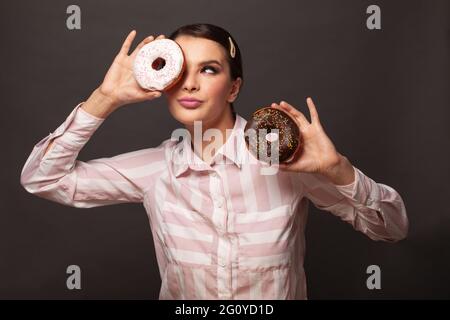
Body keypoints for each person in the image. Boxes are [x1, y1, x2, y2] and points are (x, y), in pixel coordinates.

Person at [20, 23, 408, 299]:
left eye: (208, 70)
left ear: (234, 86)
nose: (190, 83)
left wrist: (339, 170)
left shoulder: (286, 163)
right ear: (163, 81)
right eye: (179, 71)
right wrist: (106, 98)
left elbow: (390, 229)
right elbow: (42, 178)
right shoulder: (155, 170)